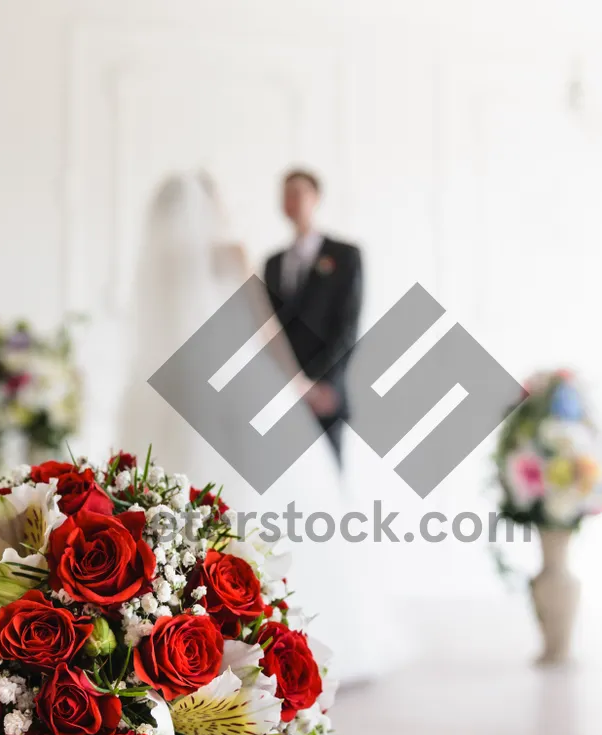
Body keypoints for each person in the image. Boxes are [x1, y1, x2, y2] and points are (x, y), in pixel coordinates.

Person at [117, 172, 398, 683]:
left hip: (172, 390)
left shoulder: (156, 261)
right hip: (240, 389)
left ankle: (176, 648)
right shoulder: (235, 253)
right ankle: (273, 642)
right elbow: (266, 328)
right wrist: (297, 383)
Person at [263, 169, 363, 463]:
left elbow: (348, 325)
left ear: (316, 198)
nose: (290, 201)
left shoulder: (345, 255)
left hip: (326, 394)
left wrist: (323, 383)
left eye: (298, 193)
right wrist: (288, 382)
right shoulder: (273, 263)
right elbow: (270, 328)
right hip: (282, 395)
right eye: (285, 195)